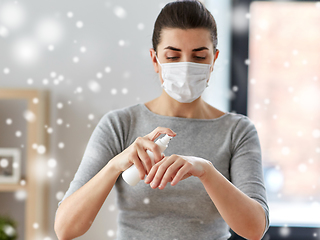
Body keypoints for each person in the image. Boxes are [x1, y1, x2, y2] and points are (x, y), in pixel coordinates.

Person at [54, 0, 269, 239]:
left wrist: (206, 171)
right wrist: (115, 164)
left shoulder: (238, 131)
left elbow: (255, 229)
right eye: (172, 56)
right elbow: (65, 228)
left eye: (198, 57)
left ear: (214, 60)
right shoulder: (119, 125)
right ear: (155, 59)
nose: (186, 67)